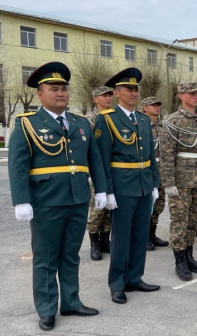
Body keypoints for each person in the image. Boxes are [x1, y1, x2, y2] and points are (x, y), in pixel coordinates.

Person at [9, 62, 107, 331]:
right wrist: (21, 199)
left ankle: (72, 302)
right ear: (40, 94)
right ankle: (47, 308)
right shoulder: (27, 124)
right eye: (54, 89)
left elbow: (94, 160)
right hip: (46, 201)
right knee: (46, 258)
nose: (61, 93)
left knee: (71, 255)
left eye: (64, 88)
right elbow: (17, 165)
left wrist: (101, 189)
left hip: (77, 199)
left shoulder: (80, 123)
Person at [94, 67, 161, 305]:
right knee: (120, 237)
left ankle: (135, 277)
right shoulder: (106, 119)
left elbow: (151, 155)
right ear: (116, 92)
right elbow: (101, 159)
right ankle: (117, 283)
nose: (133, 93)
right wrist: (107, 190)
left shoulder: (143, 119)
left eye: (136, 89)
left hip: (143, 187)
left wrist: (154, 183)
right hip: (121, 187)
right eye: (128, 89)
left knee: (140, 235)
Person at [160, 82, 197, 281]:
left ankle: (189, 256)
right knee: (180, 221)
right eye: (191, 93)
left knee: (194, 220)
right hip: (181, 179)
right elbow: (166, 153)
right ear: (181, 96)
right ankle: (179, 261)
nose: (195, 96)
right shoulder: (174, 120)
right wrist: (169, 182)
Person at [86, 86, 113, 261]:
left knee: (110, 209)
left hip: (112, 169)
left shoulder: (114, 118)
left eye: (110, 95)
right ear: (95, 99)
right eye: (104, 95)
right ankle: (94, 243)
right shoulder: (89, 119)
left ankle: (105, 240)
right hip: (96, 170)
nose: (108, 98)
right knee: (97, 208)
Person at [141, 96, 169, 251]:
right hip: (148, 168)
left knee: (159, 205)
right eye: (153, 105)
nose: (157, 107)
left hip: (162, 169)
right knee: (147, 205)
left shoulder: (162, 126)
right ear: (145, 108)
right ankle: (143, 237)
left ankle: (152, 234)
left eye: (158, 104)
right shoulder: (141, 125)